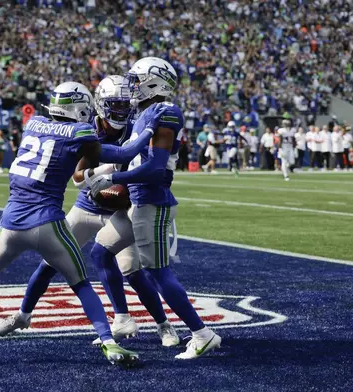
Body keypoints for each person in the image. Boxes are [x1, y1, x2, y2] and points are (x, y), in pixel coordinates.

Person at [0, 81, 139, 368]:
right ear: (80, 107)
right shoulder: (80, 131)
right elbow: (122, 155)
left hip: (11, 224)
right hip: (49, 224)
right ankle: (109, 344)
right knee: (81, 284)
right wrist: (149, 131)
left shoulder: (33, 122)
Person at [0, 75, 178, 348]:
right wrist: (109, 171)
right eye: (115, 105)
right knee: (50, 263)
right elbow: (78, 178)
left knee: (132, 269)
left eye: (125, 105)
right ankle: (22, 315)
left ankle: (162, 325)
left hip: (121, 209)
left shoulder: (137, 125)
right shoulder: (85, 127)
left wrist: (117, 177)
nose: (121, 111)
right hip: (87, 205)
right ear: (100, 105)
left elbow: (149, 165)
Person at [85, 57, 222, 360]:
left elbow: (155, 168)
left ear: (153, 82)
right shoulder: (144, 114)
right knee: (100, 252)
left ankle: (202, 334)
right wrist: (101, 168)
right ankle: (122, 318)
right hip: (137, 202)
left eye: (136, 80)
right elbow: (129, 156)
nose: (132, 86)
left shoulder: (165, 112)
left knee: (158, 272)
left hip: (152, 202)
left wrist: (112, 177)